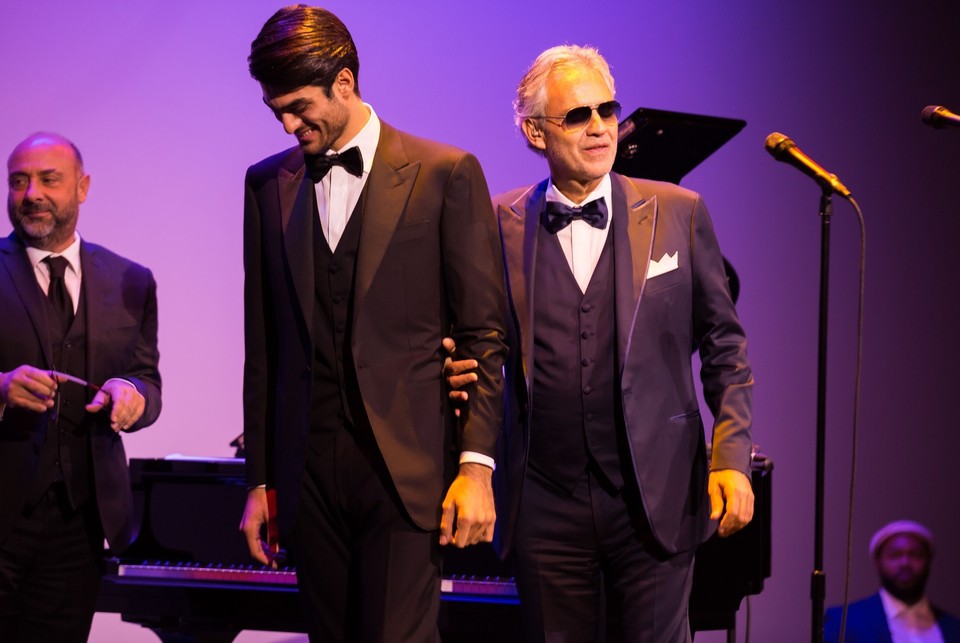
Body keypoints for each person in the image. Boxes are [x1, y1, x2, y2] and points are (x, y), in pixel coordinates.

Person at [445, 44, 754, 641]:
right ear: (535, 132)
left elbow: (726, 347)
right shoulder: (497, 222)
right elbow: (478, 344)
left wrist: (731, 458)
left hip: (655, 498)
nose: (600, 127)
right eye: (577, 115)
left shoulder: (679, 211)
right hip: (544, 503)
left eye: (607, 110)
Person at [238, 6, 507, 642]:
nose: (288, 124)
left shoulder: (444, 173)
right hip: (307, 476)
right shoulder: (266, 184)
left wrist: (476, 468)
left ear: (345, 83)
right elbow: (264, 347)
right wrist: (260, 481)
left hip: (406, 471)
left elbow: (484, 335)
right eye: (276, 111)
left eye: (299, 107)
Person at [0, 132, 162, 642]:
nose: (32, 194)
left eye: (49, 179)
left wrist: (132, 393)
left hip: (80, 525)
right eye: (19, 181)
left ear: (82, 187)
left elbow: (147, 380)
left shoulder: (130, 280)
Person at [824, 520, 960, 642]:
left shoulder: (953, 628)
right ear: (877, 563)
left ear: (929, 562)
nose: (905, 563)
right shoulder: (843, 621)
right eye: (895, 555)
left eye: (915, 555)